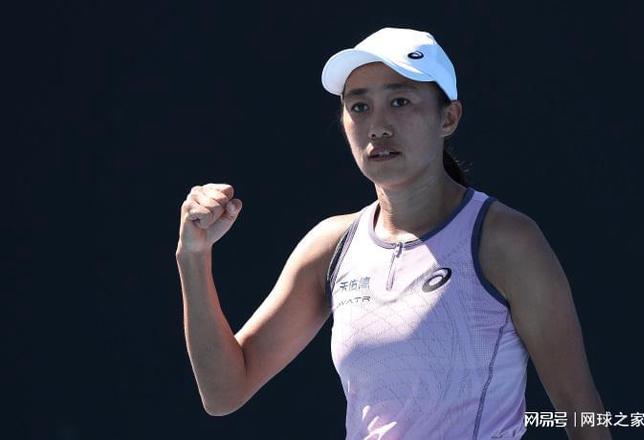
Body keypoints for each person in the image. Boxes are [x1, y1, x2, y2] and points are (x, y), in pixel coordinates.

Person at [176, 27, 610, 439]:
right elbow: (224, 392)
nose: (378, 126)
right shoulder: (330, 245)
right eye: (359, 107)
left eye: (400, 102)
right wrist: (193, 257)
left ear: (448, 117)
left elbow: (578, 404)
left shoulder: (506, 240)